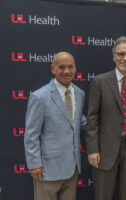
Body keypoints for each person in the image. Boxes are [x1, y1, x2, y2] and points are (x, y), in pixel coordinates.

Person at [86, 36, 126, 200]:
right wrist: (93, 149)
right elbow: (92, 118)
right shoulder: (99, 81)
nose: (125, 58)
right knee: (103, 195)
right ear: (113, 56)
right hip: (105, 150)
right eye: (121, 54)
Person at [24, 52, 85, 200]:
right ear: (53, 68)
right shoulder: (39, 97)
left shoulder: (79, 93)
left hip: (72, 168)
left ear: (75, 68)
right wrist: (34, 164)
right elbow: (31, 134)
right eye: (61, 67)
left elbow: (77, 122)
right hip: (47, 170)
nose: (66, 71)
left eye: (70, 67)